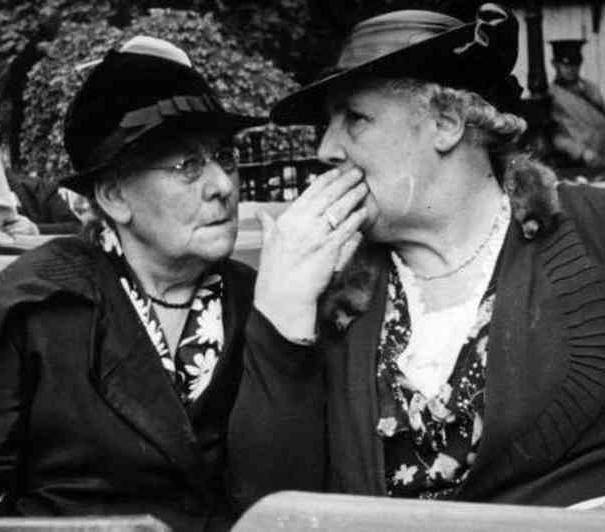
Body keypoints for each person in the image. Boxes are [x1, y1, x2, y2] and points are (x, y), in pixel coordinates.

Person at [230, 4, 605, 508]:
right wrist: (281, 318)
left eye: (355, 118)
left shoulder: (591, 230)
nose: (326, 149)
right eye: (328, 123)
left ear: (446, 124)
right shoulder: (331, 296)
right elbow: (272, 506)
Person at [0, 36, 265, 531]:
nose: (222, 185)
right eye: (187, 166)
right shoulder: (24, 310)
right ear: (114, 196)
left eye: (224, 157)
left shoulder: (266, 304)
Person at [547, 39, 605, 167]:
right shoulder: (551, 95)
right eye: (565, 65)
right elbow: (555, 136)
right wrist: (582, 153)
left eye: (575, 65)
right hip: (579, 160)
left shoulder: (591, 88)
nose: (571, 70)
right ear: (555, 65)